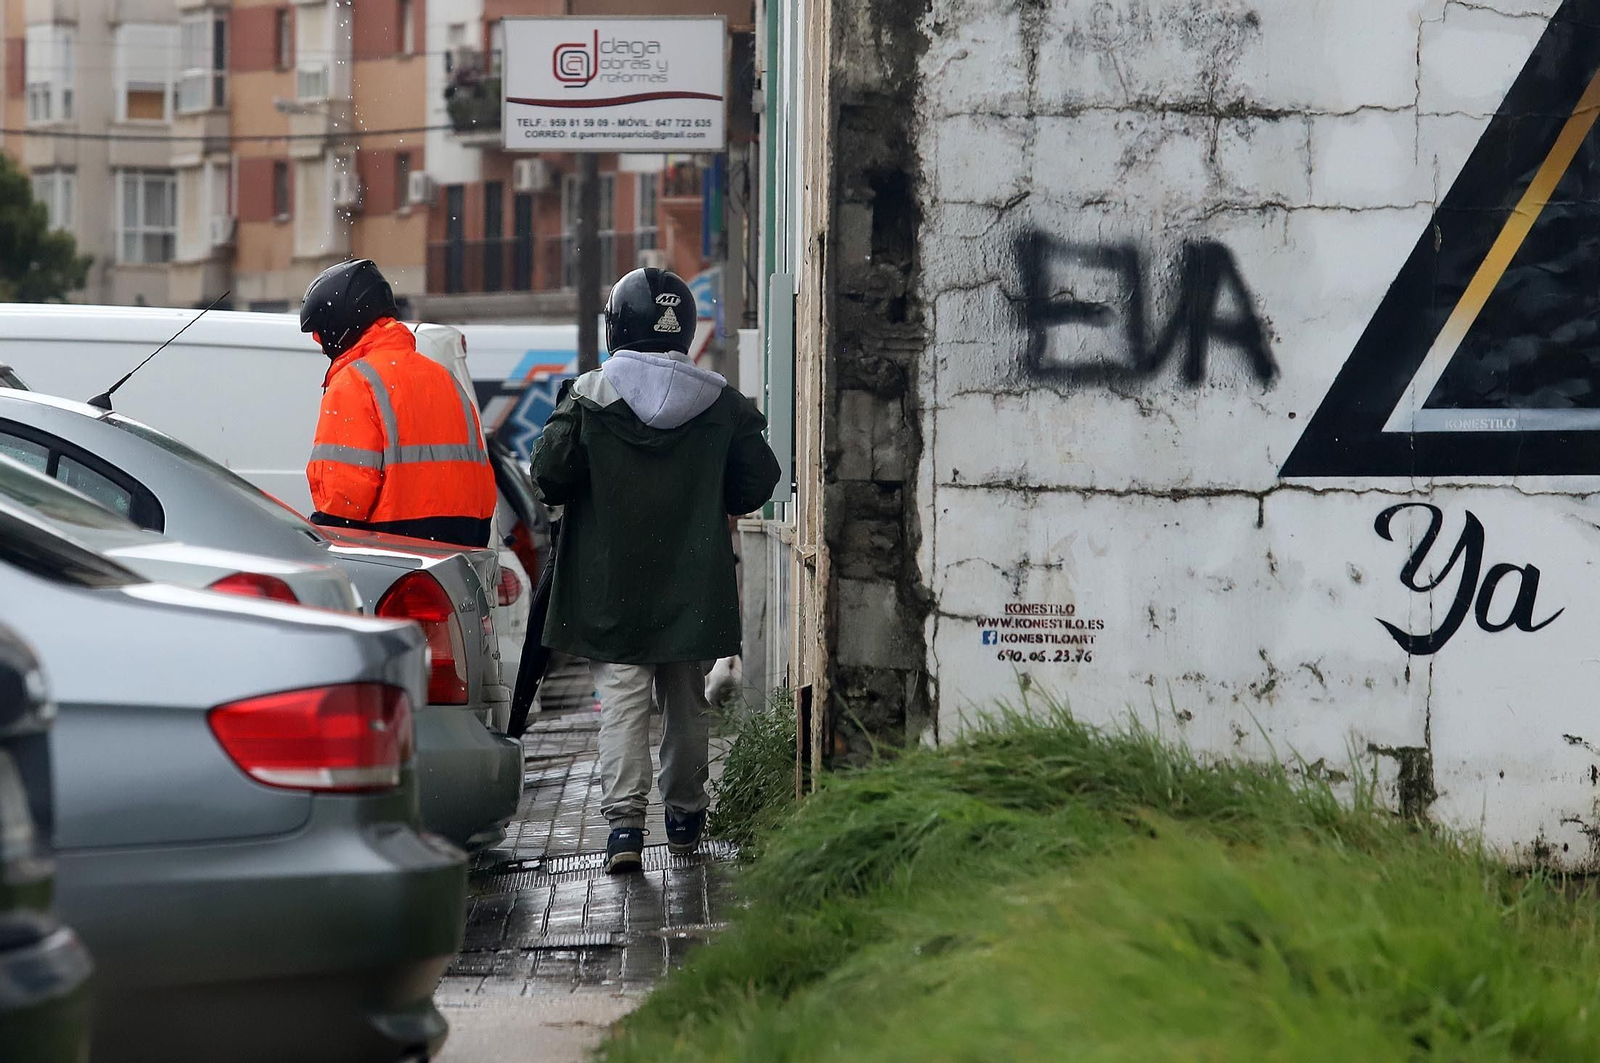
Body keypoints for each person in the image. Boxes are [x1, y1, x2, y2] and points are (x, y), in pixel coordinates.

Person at [530, 267, 781, 873]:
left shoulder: (589, 397)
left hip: (609, 589)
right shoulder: (720, 402)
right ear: (684, 328)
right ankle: (687, 817)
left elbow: (547, 474)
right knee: (686, 704)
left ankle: (623, 832)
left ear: (617, 325)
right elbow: (758, 482)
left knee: (622, 705)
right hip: (692, 586)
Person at [299, 259, 497, 548]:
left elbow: (345, 496)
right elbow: (479, 481)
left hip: (393, 551)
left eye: (322, 332)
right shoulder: (444, 377)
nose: (322, 343)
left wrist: (322, 537)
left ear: (341, 322)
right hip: (462, 552)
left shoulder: (355, 381)